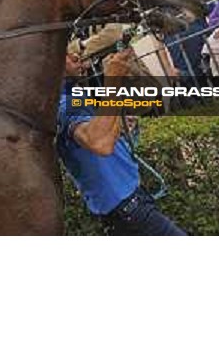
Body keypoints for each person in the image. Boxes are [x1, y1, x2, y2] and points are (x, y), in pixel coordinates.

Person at [57, 40, 186, 236]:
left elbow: (102, 138)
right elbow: (100, 144)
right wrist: (113, 80)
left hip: (131, 208)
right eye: (66, 54)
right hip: (129, 213)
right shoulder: (62, 104)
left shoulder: (73, 95)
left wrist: (120, 125)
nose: (75, 56)